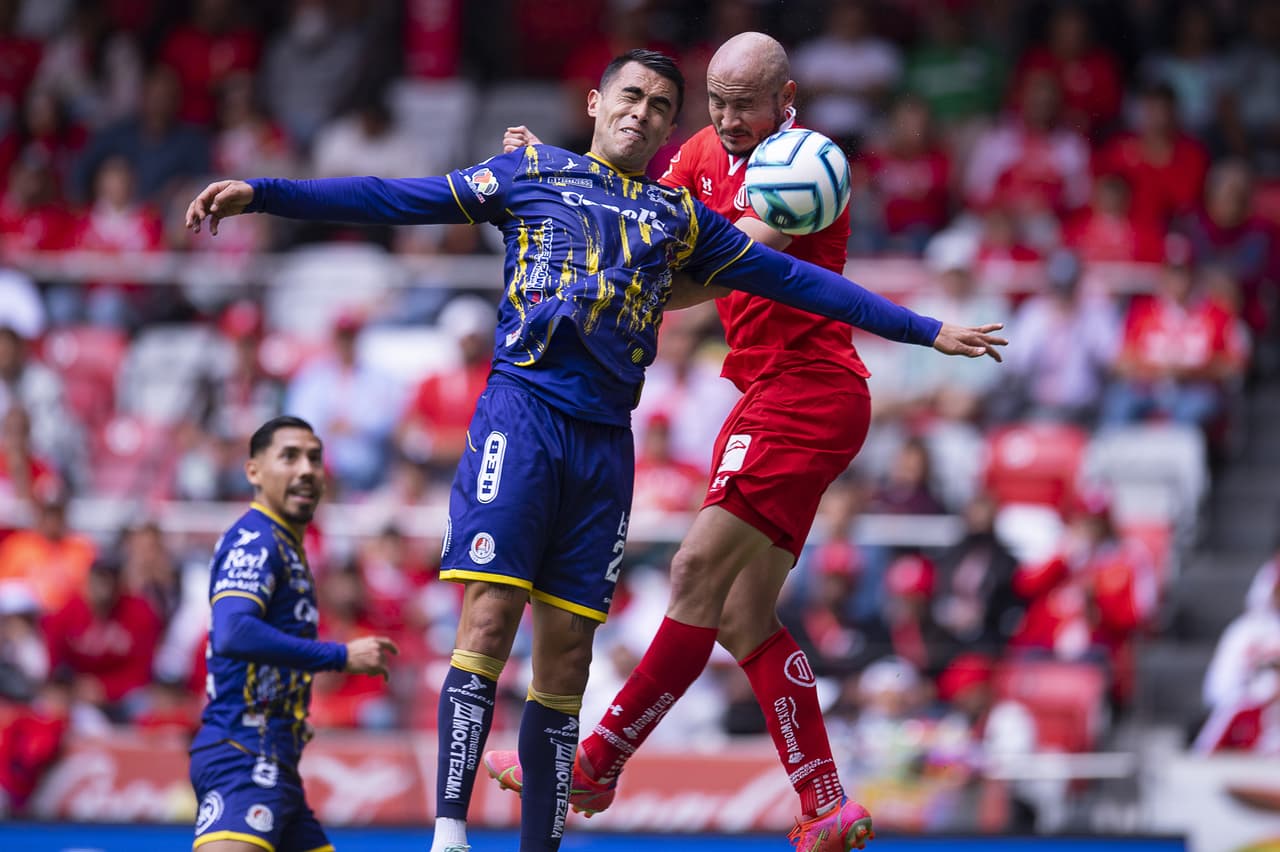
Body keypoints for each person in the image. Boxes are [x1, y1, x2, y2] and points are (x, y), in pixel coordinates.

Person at [184, 49, 1004, 852]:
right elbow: (400, 197)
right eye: (641, 97)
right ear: (594, 102)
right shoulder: (563, 172)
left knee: (596, 638)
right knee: (543, 615)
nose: (657, 114)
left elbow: (793, 278)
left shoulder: (725, 197)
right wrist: (269, 193)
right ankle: (458, 831)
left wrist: (926, 329)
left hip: (664, 425)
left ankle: (593, 780)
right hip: (532, 416)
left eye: (662, 105)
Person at [481, 36, 1000, 852]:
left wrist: (625, 283)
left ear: (785, 98)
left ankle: (597, 762)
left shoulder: (804, 163)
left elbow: (722, 266)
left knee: (692, 571)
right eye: (716, 101)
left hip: (808, 391)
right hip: (764, 393)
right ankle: (825, 802)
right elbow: (630, 210)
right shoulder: (697, 152)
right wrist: (552, 165)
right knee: (740, 616)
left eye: (744, 103)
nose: (726, 118)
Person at [187, 416, 397, 852]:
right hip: (243, 754)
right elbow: (232, 631)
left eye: (314, 458)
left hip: (276, 760)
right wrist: (340, 656)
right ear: (253, 471)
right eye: (289, 457)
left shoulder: (288, 545)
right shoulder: (256, 540)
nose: (306, 469)